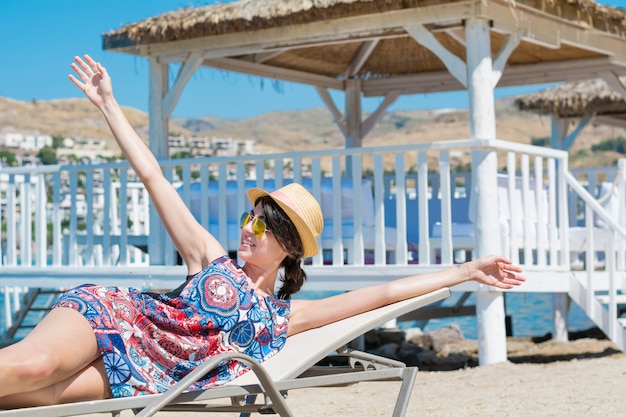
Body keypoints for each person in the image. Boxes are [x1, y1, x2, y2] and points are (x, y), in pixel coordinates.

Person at [0, 55, 525, 408]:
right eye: (251, 218)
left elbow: (380, 294)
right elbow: (153, 176)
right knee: (34, 363)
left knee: (38, 394)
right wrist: (109, 105)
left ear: (291, 248)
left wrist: (468, 269)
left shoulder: (286, 317)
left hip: (148, 377)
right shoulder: (209, 257)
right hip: (116, 318)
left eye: (263, 226)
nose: (248, 229)